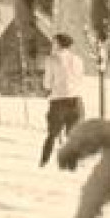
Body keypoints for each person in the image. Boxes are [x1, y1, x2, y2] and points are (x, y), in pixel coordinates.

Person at [41, 33, 87, 166]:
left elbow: (47, 84)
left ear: (58, 43)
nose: (52, 44)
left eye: (54, 42)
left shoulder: (51, 59)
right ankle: (73, 165)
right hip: (76, 100)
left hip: (59, 101)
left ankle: (44, 162)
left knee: (52, 135)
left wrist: (49, 87)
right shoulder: (78, 60)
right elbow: (80, 79)